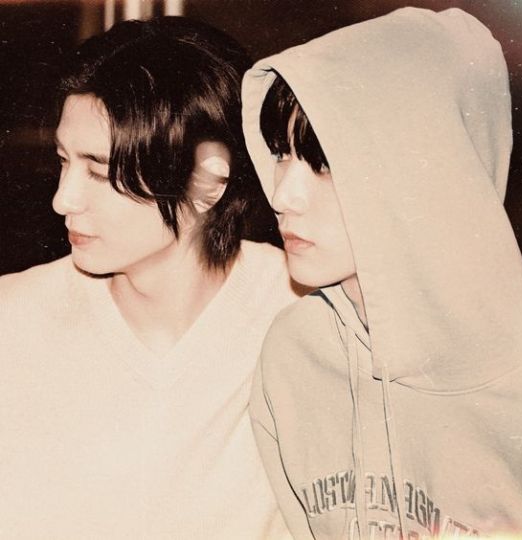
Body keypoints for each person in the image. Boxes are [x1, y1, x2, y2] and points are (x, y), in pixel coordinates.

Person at [243, 7, 522, 539]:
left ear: (422, 169)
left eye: (324, 164)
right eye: (281, 155)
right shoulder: (295, 352)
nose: (283, 194)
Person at [0, 16, 301, 539]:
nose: (63, 200)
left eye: (99, 171)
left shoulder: (303, 317)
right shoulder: (13, 319)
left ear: (207, 182)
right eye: (63, 161)